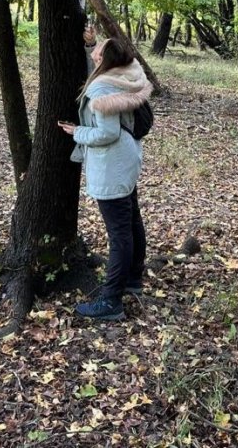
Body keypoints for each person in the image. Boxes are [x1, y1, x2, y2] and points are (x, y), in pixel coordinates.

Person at [59, 37, 152, 321]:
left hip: (112, 164)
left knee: (120, 232)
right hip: (128, 158)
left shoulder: (102, 88)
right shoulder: (130, 72)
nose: (94, 54)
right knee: (131, 220)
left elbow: (106, 132)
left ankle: (111, 300)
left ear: (106, 60)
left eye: (98, 52)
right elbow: (105, 56)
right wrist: (91, 43)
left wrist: (77, 132)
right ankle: (133, 278)